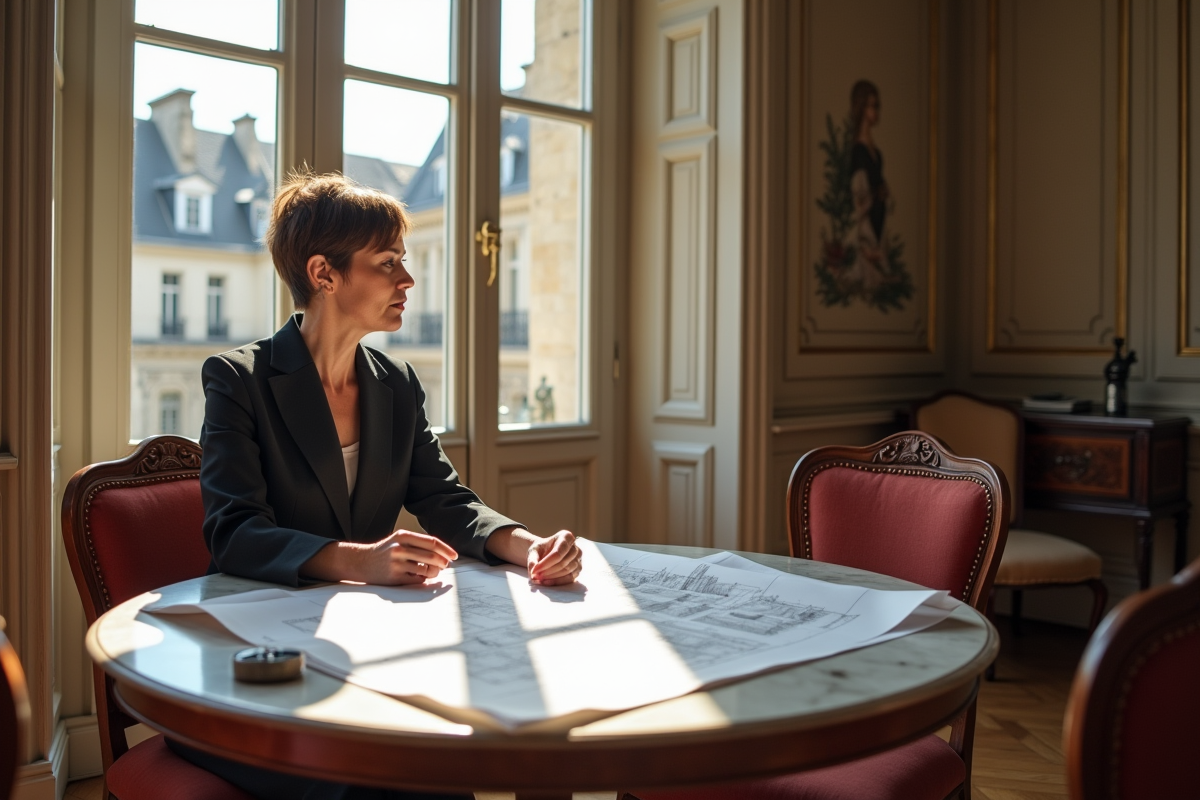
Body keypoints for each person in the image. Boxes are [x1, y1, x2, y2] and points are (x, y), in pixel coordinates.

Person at [169, 171, 583, 800]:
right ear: (324, 274)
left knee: (437, 760)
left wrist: (530, 547)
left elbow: (444, 498)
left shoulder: (396, 383)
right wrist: (360, 561)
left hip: (362, 649)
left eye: (403, 262)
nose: (407, 280)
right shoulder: (238, 379)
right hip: (256, 667)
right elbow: (235, 533)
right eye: (388, 263)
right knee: (373, 777)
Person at [846, 79, 890, 293]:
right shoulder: (859, 151)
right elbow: (859, 191)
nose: (876, 111)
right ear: (862, 108)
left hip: (879, 216)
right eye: (872, 106)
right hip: (867, 220)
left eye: (876, 106)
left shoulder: (876, 152)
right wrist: (872, 196)